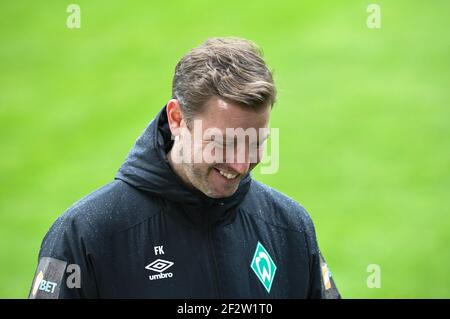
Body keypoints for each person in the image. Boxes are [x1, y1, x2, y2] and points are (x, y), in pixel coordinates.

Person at [29, 37, 340, 298]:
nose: (241, 164)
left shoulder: (290, 227)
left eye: (255, 142)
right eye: (224, 143)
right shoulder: (84, 235)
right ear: (177, 119)